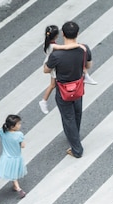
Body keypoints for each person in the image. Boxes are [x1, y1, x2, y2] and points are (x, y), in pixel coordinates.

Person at [44, 21, 92, 159]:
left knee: (68, 117)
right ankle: (74, 135)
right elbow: (88, 64)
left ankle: (76, 149)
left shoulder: (56, 55)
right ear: (77, 33)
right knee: (77, 113)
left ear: (63, 34)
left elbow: (46, 70)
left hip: (63, 90)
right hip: (78, 87)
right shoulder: (84, 49)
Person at [39, 24, 97, 115]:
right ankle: (43, 101)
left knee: (53, 85)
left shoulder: (47, 44)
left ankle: (44, 101)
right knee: (53, 85)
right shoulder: (53, 46)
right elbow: (65, 47)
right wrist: (79, 46)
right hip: (52, 65)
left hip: (52, 62)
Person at [0, 114, 27, 198]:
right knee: (14, 174)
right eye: (18, 124)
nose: (20, 125)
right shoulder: (19, 134)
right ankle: (19, 189)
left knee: (12, 173)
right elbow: (23, 146)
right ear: (12, 126)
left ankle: (15, 186)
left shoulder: (3, 132)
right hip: (16, 157)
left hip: (6, 157)